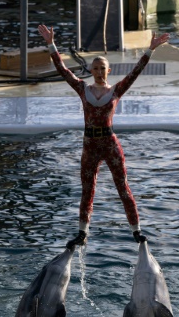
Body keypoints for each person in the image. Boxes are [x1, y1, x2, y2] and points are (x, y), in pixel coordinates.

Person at [37, 24, 170, 249]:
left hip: (109, 143)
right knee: (87, 189)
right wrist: (51, 44)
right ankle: (82, 233)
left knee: (122, 186)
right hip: (89, 144)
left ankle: (136, 231)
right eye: (96, 68)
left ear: (108, 71)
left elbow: (135, 72)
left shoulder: (116, 90)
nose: (99, 71)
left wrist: (150, 50)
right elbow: (62, 69)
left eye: (103, 68)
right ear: (90, 70)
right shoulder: (82, 89)